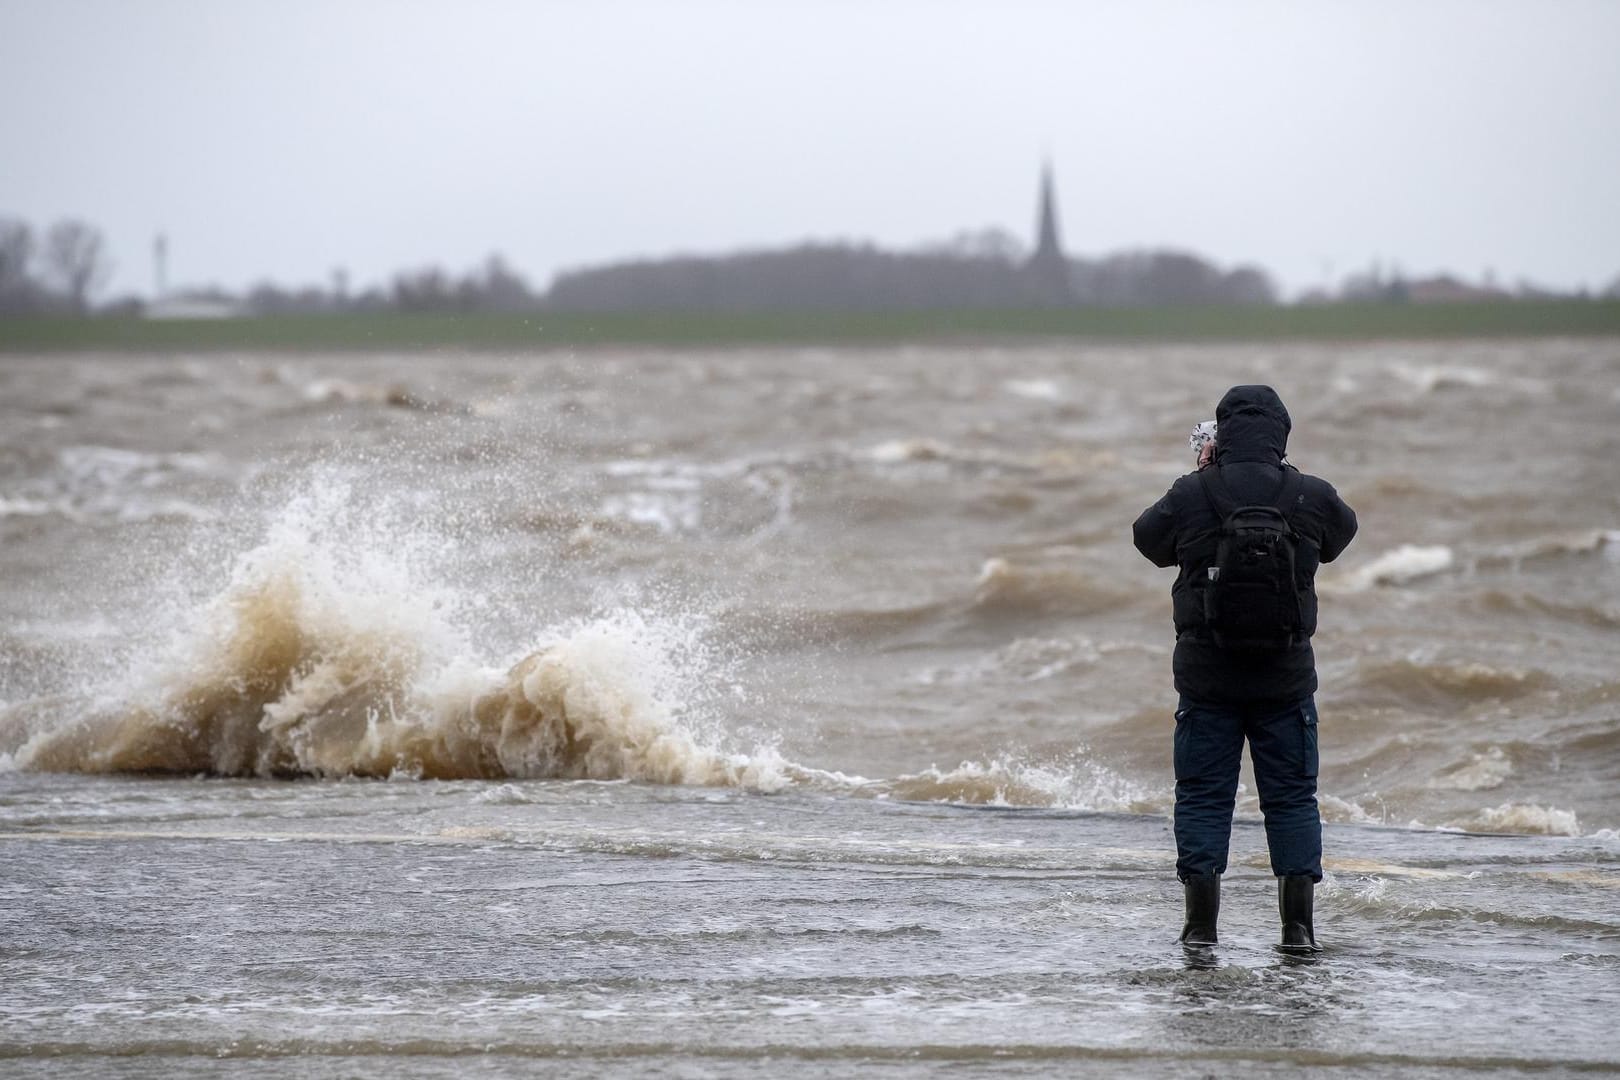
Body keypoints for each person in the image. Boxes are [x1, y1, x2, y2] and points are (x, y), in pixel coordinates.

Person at [1132, 385, 1357, 953]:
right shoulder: (1310, 494)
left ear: (1220, 433)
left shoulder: (1192, 492)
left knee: (1204, 798)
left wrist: (1201, 476)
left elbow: (1148, 542)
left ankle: (1201, 929)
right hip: (1285, 679)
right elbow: (1341, 536)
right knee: (1292, 799)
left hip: (1207, 680)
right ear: (1281, 433)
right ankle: (1298, 931)